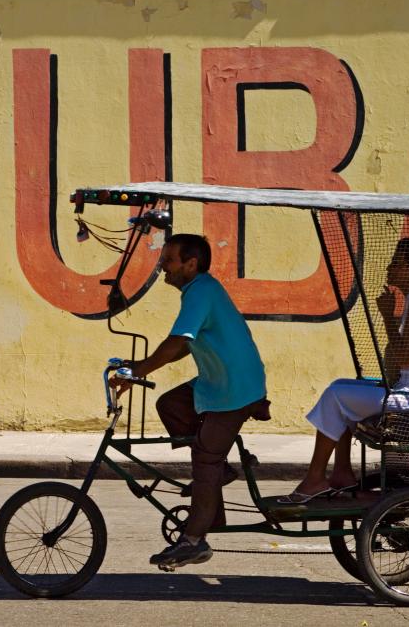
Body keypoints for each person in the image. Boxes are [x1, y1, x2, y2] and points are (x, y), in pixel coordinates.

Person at [110, 233, 269, 569]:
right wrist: (140, 368)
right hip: (218, 382)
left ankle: (194, 541)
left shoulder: (201, 290)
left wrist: (139, 370)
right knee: (171, 405)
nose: (162, 267)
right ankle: (215, 475)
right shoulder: (198, 291)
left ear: (190, 264)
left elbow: (177, 341)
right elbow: (185, 345)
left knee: (204, 461)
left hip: (233, 389)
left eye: (168, 260)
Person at [280, 238, 409, 503]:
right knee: (341, 389)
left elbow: (405, 358)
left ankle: (315, 478)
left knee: (337, 394)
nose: (389, 267)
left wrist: (386, 317)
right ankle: (341, 473)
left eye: (397, 263)